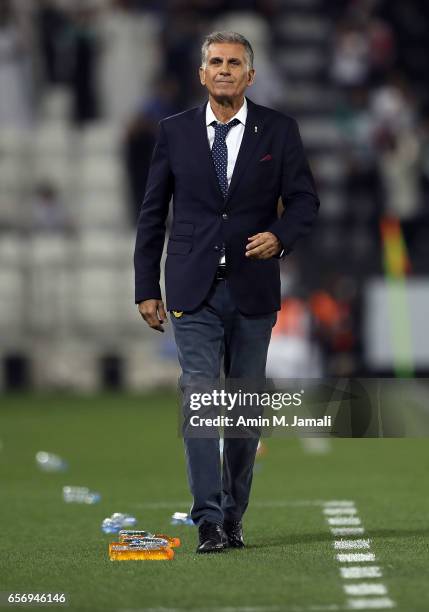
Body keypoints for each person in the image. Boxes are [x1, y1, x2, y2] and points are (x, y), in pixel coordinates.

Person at [134, 31, 320, 554]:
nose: (223, 70)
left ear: (250, 75)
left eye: (234, 63)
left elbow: (305, 201)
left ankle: (234, 515)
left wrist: (281, 237)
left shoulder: (279, 131)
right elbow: (153, 214)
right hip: (191, 290)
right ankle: (208, 520)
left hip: (253, 291)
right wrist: (145, 286)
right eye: (215, 62)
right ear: (201, 74)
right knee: (199, 397)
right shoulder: (174, 132)